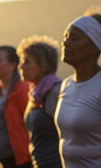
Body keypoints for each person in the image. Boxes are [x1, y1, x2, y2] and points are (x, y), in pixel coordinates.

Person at [54, 8, 101, 168]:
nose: (66, 43)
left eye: (75, 38)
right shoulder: (67, 84)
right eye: (66, 36)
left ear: (94, 47)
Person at [17, 35, 62, 168]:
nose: (21, 66)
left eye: (27, 62)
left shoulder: (54, 92)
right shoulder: (35, 93)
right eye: (21, 61)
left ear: (44, 65)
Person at [0, 46, 32, 168]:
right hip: (6, 161)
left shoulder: (23, 90)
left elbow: (33, 125)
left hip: (22, 162)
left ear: (13, 65)